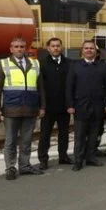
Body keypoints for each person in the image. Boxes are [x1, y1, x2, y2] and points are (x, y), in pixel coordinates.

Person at [0, 37, 46, 180]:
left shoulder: (35, 63)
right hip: (11, 109)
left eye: (22, 46)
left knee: (27, 140)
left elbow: (41, 88)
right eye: (16, 47)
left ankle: (25, 166)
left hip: (30, 108)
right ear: (11, 49)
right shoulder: (3, 64)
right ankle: (10, 168)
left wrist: (42, 106)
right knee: (10, 141)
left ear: (26, 48)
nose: (19, 49)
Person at [66, 40, 106, 171]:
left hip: (98, 106)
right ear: (82, 51)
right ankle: (78, 161)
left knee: (94, 134)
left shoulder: (102, 66)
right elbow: (69, 87)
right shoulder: (75, 66)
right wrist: (70, 105)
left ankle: (90, 157)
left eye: (92, 48)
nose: (89, 50)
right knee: (79, 136)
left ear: (96, 52)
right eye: (86, 48)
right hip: (81, 106)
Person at [37, 37, 71, 169]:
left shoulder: (69, 63)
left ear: (61, 47)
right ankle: (43, 159)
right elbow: (39, 87)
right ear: (48, 48)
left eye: (58, 46)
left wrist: (70, 104)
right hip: (48, 107)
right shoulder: (42, 64)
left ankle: (63, 156)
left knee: (64, 133)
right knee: (45, 134)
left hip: (64, 106)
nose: (56, 48)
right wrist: (41, 106)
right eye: (53, 46)